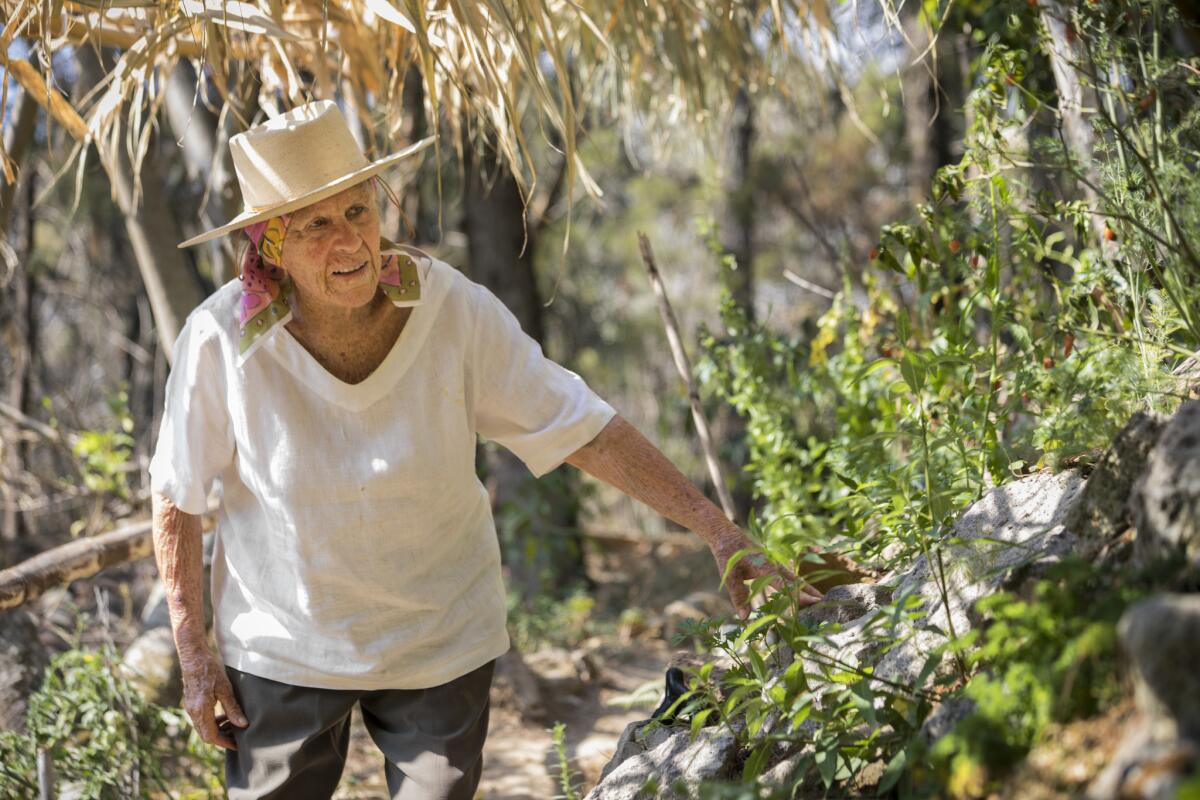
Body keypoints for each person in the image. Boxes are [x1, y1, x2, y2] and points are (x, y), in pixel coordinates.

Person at [148, 100, 821, 800]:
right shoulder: (219, 339)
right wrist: (195, 656)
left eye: (358, 212)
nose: (348, 241)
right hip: (284, 644)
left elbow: (579, 425)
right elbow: (177, 494)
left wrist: (717, 530)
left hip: (439, 636)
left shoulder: (451, 310)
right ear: (271, 244)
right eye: (316, 224)